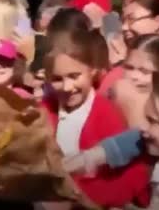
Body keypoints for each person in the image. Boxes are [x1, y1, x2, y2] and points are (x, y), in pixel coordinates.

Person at [42, 28, 151, 208]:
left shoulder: (106, 113)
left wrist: (85, 197)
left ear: (91, 70)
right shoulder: (44, 111)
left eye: (74, 76)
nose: (68, 87)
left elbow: (134, 174)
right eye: (57, 79)